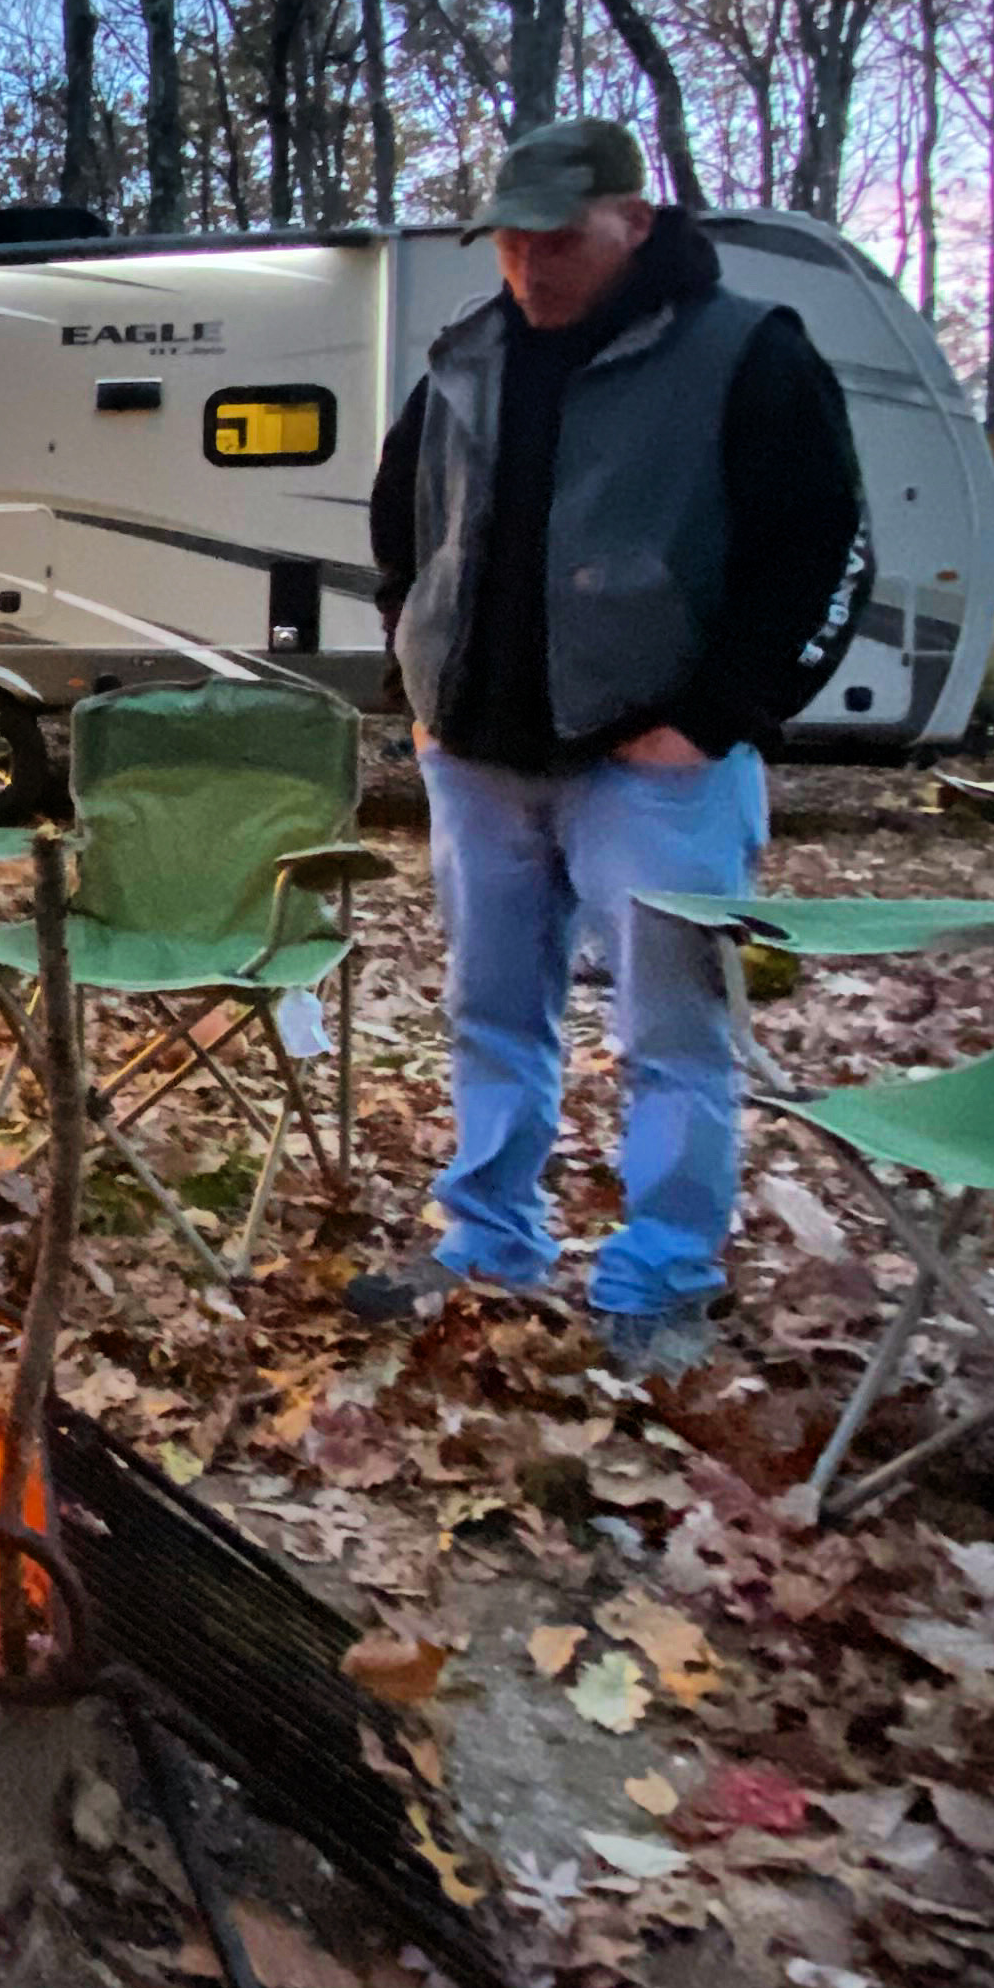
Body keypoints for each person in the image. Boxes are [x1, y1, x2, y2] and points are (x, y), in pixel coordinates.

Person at [350, 115, 867, 1377]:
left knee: (672, 1035)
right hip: (478, 757)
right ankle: (488, 1242)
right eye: (508, 238)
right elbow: (399, 520)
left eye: (556, 236)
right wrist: (418, 666)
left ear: (633, 221)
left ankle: (662, 1277)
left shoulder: (745, 354)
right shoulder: (465, 358)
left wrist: (715, 719)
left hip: (654, 764)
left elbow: (823, 548)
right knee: (489, 1012)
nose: (528, 262)